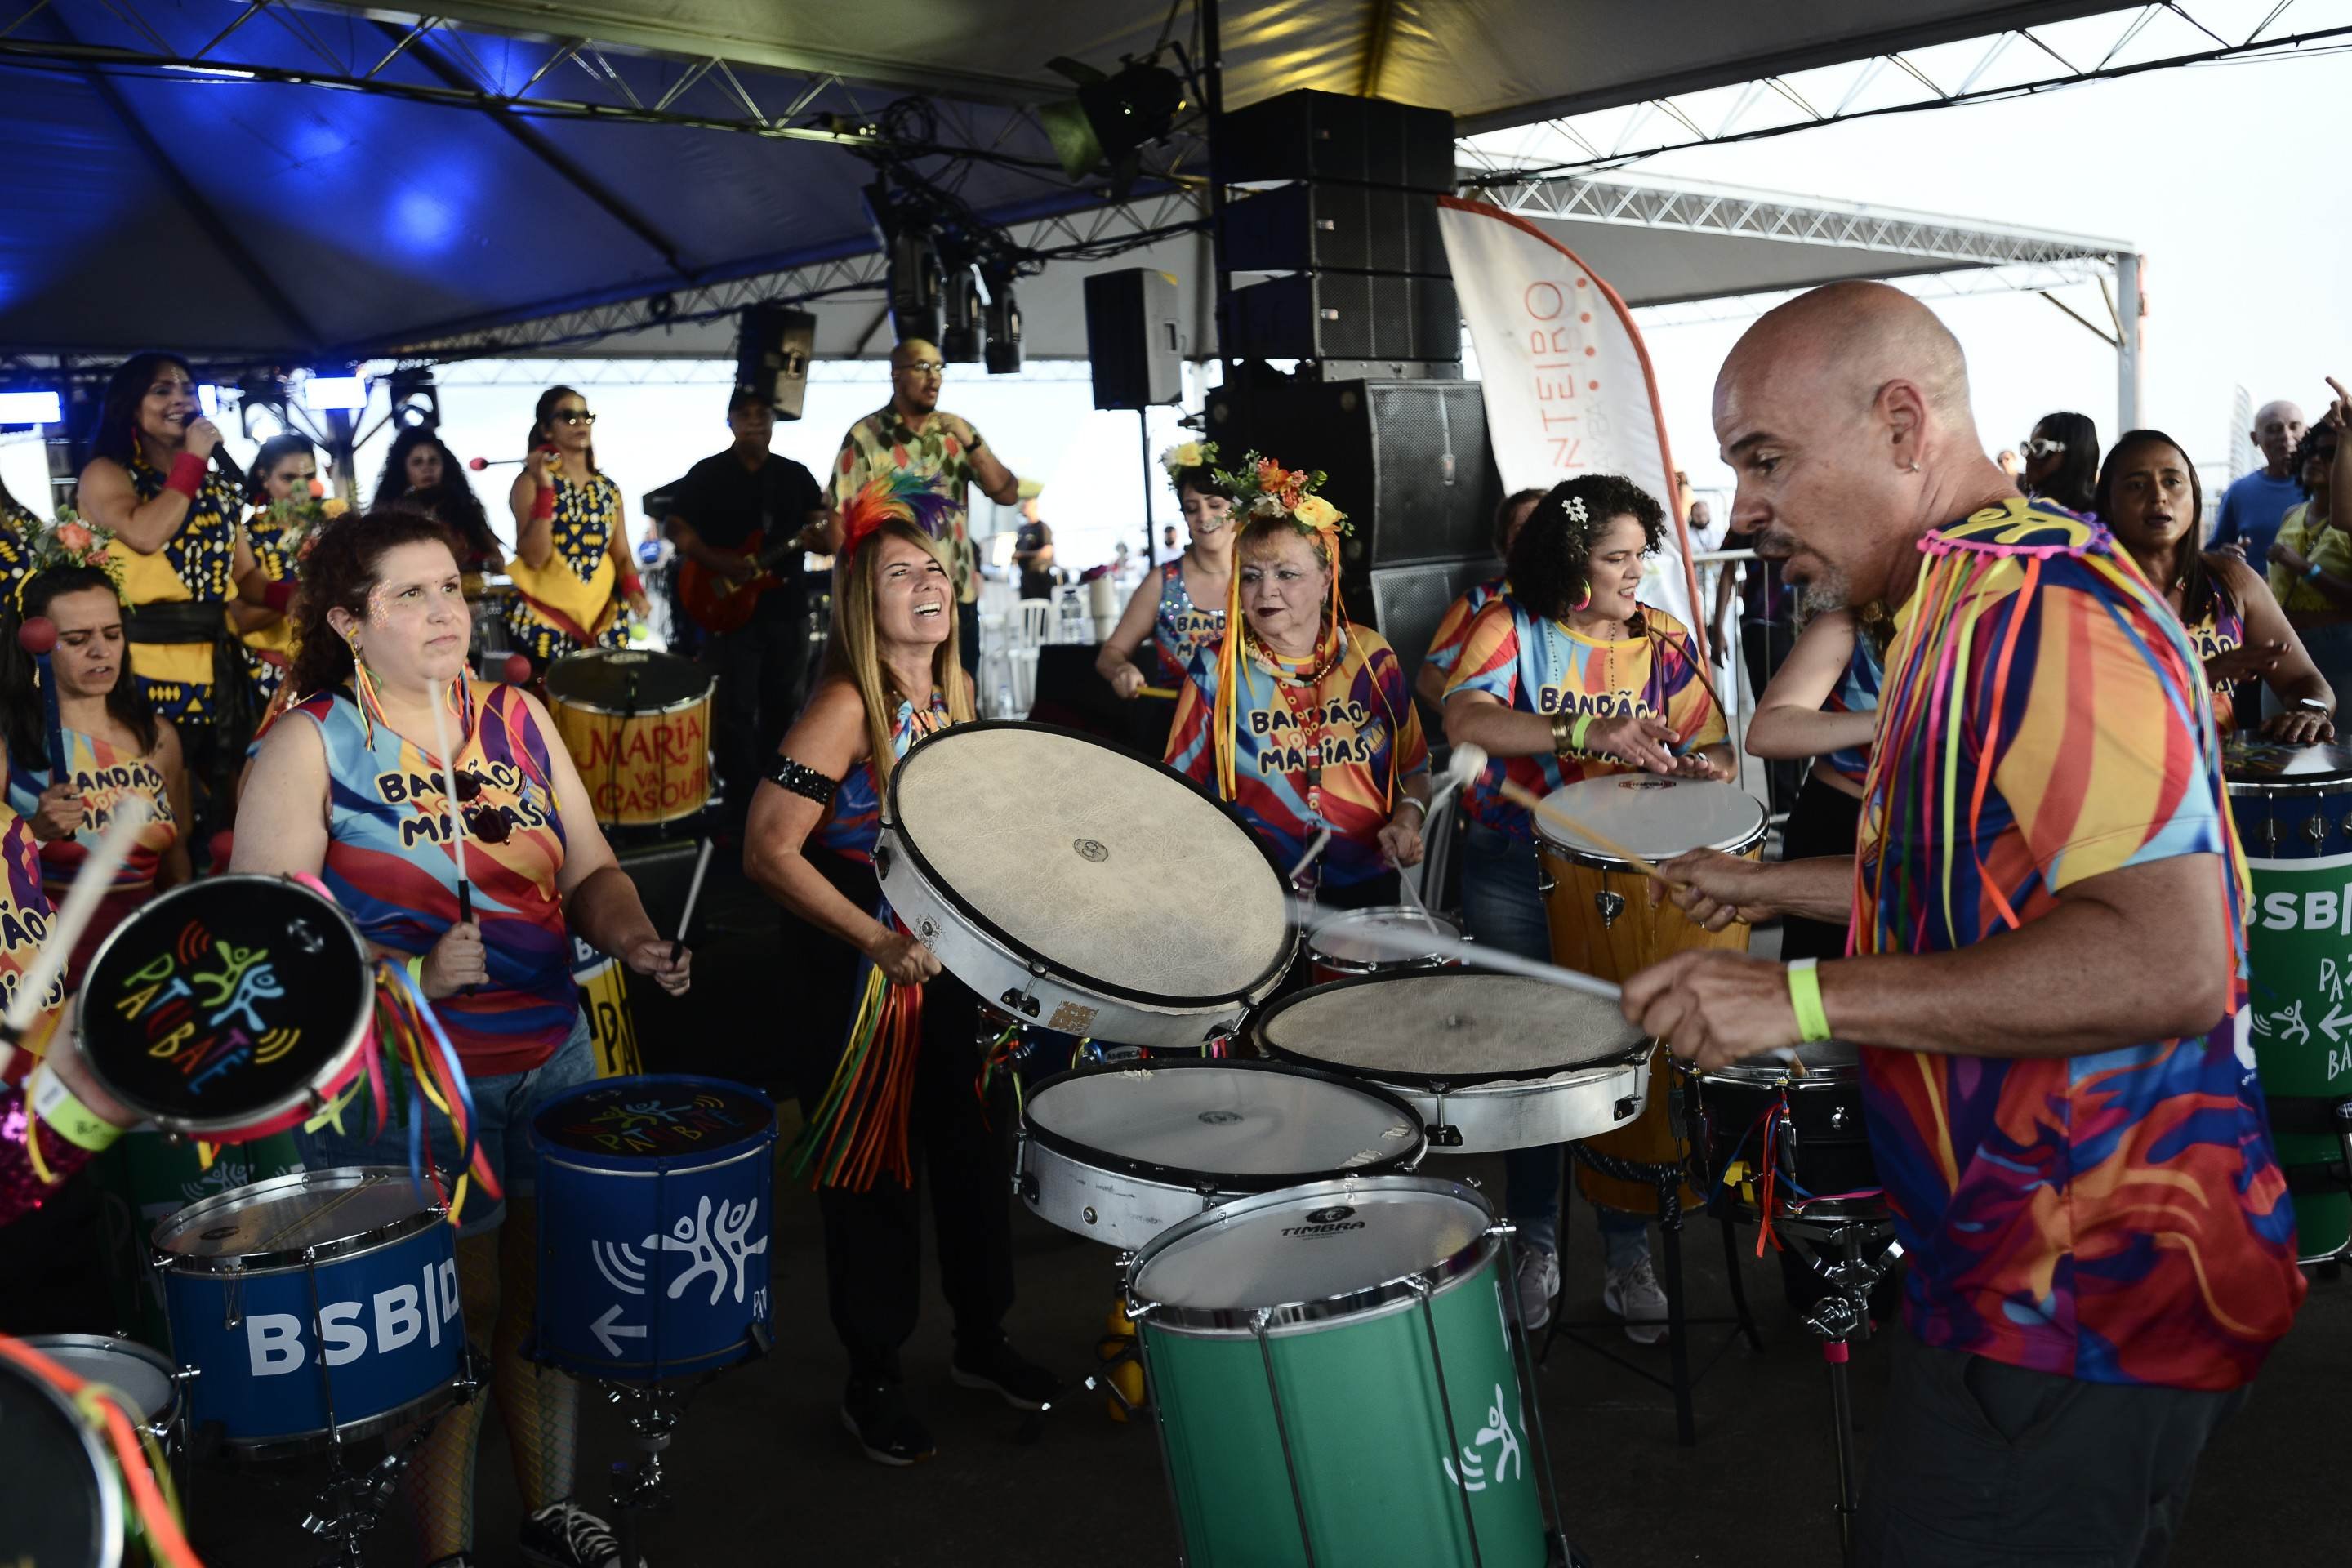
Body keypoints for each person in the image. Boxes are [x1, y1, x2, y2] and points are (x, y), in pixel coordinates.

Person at [1633, 280, 2305, 1567]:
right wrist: (1770, 891)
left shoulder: (2047, 614)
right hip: (2007, 1272)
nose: (1745, 510)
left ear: (1902, 424)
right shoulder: (1948, 607)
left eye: (1765, 459)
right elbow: (1986, 888)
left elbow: (2167, 958)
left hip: (2084, 1295)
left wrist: (1798, 999)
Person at [235, 508, 690, 1568]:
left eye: (452, 589)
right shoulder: (310, 742)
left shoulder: (520, 719)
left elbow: (588, 869)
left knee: (546, 1299)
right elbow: (267, 945)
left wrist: (635, 936)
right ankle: (445, 1548)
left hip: (548, 1059)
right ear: (350, 623)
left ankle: (549, 1508)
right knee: (455, 1316)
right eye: (410, 595)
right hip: (402, 1083)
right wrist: (405, 972)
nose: (445, 611)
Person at [742, 488, 1054, 1468]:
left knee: (968, 1153)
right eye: (898, 576)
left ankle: (979, 1341)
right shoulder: (846, 702)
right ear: (858, 605)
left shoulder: (946, 693)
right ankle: (871, 1377)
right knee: (875, 1173)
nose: (925, 585)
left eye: (932, 570)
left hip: (948, 967)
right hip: (865, 980)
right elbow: (767, 848)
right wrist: (873, 944)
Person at [1442, 474, 1734, 1339]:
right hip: (1512, 865)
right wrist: (1582, 731)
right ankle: (1534, 1241)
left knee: (1620, 1058)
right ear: (1572, 562)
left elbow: (1714, 744)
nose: (1634, 573)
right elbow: (1463, 716)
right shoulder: (1513, 627)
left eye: (1641, 554)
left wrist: (1701, 769)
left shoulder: (1664, 639)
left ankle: (1627, 1251)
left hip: (1623, 876)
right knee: (1538, 1062)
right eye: (1616, 558)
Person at [1166, 456, 1429, 914]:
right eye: (1251, 576)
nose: (1266, 591)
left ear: (1326, 579)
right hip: (1259, 896)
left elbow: (1414, 769)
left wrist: (1408, 820)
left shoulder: (1372, 656)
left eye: (1287, 574)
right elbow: (1175, 793)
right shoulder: (1216, 669)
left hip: (1366, 887)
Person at [73, 352, 270, 844]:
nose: (180, 399)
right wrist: (193, 461)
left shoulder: (216, 483)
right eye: (162, 390)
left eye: (188, 389)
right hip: (143, 666)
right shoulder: (106, 473)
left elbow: (250, 582)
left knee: (245, 799)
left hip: (220, 665)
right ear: (130, 407)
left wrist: (315, 591)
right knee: (165, 815)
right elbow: (145, 533)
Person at [2, 564, 190, 983]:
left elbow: (177, 871)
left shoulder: (158, 738)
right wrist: (35, 832)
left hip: (147, 967)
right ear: (35, 646)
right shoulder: (9, 747)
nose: (100, 651)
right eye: (76, 639)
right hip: (42, 977)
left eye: (112, 633)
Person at [2097, 429, 2332, 739]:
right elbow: (2081, 706)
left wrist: (2310, 710)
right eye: (2137, 485)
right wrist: (2199, 674)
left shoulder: (2232, 580)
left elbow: (2305, 680)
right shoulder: (2086, 590)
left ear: (2194, 496)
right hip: (2127, 777)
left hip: (2217, 780)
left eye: (2172, 481)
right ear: (2109, 503)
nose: (2158, 496)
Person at [667, 388, 830, 832]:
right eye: (746, 414)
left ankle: (783, 811)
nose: (756, 422)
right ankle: (741, 810)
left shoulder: (795, 476)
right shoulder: (708, 474)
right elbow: (676, 527)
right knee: (734, 714)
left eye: (765, 414)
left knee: (786, 707)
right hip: (728, 614)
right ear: (731, 421)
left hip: (786, 608)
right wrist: (719, 562)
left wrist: (826, 536)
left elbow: (826, 532)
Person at [828, 339, 1021, 675]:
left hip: (955, 596)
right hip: (895, 602)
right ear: (896, 376)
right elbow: (839, 523)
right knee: (900, 707)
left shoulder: (957, 433)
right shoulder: (865, 436)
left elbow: (1006, 494)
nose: (933, 377)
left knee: (962, 708)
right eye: (921, 367)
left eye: (938, 368)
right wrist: (854, 594)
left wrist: (970, 440)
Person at [1744, 606, 1882, 963]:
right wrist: (1889, 718)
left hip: (1933, 830)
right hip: (1841, 818)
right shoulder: (1848, 624)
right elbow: (1767, 733)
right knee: (1816, 977)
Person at [504, 386, 646, 673]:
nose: (580, 423)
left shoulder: (608, 489)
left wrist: (634, 591)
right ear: (546, 430)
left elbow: (620, 554)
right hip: (547, 619)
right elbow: (534, 557)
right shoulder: (529, 483)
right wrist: (545, 487)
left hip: (601, 619)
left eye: (586, 416)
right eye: (568, 416)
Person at [1098, 443, 1234, 706]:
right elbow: (1109, 654)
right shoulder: (1163, 581)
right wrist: (1121, 670)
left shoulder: (1261, 575)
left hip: (1257, 729)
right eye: (1192, 508)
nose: (1204, 515)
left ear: (1235, 508)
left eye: (1215, 504)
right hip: (1178, 731)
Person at [1415, 487, 1544, 713]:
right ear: (1504, 544)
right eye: (1523, 529)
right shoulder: (1479, 601)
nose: (1536, 538)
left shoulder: (1584, 602)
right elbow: (1428, 679)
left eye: (1544, 527)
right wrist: (1472, 719)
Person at [2263, 404, 2352, 702]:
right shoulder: (2292, 514)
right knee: (2277, 744)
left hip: (2340, 653)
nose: (2315, 459)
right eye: (2312, 450)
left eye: (2329, 454)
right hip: (2285, 649)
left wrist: (2305, 568)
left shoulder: (2348, 525)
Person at [235, 432, 323, 707]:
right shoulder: (247, 539)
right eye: (289, 478)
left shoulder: (328, 530)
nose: (301, 488)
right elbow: (242, 618)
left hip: (324, 666)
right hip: (266, 676)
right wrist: (304, 597)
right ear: (264, 477)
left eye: (309, 477)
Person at [376, 427, 504, 578]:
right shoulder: (392, 517)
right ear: (403, 470)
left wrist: (486, 563)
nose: (427, 468)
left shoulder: (465, 509)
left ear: (445, 466)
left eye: (433, 461)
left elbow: (498, 562)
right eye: (417, 462)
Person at [2212, 399, 2310, 564]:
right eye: (2273, 429)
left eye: (2294, 427)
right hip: (2255, 589)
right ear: (2255, 438)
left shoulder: (2326, 487)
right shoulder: (2239, 492)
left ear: (2307, 433)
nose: (2286, 436)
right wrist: (2224, 556)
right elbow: (2214, 551)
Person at [2019, 409, 2100, 514]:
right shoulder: (2032, 504)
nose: (2028, 457)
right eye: (2028, 447)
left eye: (2039, 448)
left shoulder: (2087, 524)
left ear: (2073, 455)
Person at [1011, 496, 1057, 604]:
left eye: (1027, 506)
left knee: (1041, 609)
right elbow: (1017, 550)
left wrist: (1024, 555)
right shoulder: (1022, 529)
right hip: (1025, 575)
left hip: (1040, 575)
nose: (1024, 509)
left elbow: (1047, 552)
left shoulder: (1042, 528)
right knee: (1027, 609)